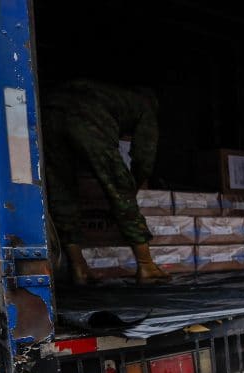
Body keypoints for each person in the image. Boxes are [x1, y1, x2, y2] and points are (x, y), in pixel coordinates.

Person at [42, 79, 169, 285]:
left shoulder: (111, 96)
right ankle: (146, 266)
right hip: (86, 116)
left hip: (49, 111)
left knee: (61, 191)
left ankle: (78, 267)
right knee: (119, 187)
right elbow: (144, 156)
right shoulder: (143, 106)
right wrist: (130, 189)